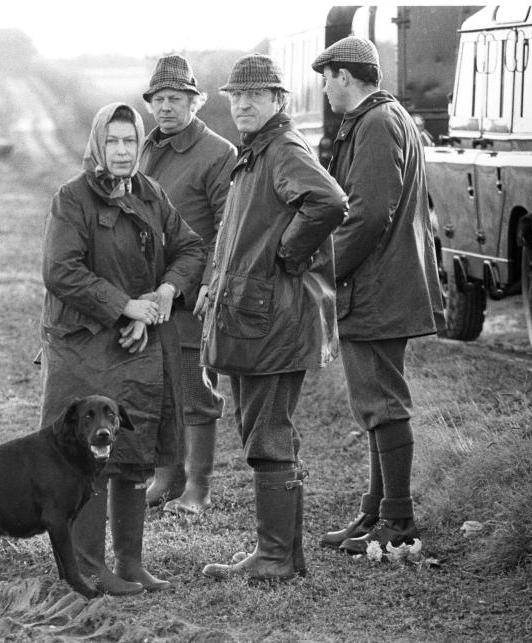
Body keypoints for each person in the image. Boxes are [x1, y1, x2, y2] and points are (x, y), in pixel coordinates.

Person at [39, 102, 204, 594]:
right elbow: (60, 270)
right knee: (88, 459)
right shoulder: (72, 199)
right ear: (97, 144)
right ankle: (88, 568)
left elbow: (191, 249)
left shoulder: (151, 194)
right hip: (84, 349)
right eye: (112, 141)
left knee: (132, 452)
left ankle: (130, 564)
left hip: (138, 348)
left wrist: (163, 296)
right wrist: (124, 307)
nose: (122, 150)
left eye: (130, 141)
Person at [199, 54, 347, 581]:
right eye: (236, 96)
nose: (242, 103)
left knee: (266, 433)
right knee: (264, 430)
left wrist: (288, 254)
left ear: (278, 101)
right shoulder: (255, 152)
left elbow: (328, 202)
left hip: (273, 318)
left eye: (254, 96)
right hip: (254, 314)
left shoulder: (281, 148)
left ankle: (276, 557)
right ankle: (281, 554)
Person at [310, 37, 445, 554]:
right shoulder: (382, 120)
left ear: (346, 76)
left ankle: (399, 519)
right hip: (379, 282)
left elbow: (367, 215)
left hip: (376, 286)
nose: (323, 87)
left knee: (384, 402)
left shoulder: (376, 123)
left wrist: (323, 269)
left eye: (327, 76)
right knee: (374, 403)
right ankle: (376, 512)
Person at [139, 55, 237, 515]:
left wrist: (208, 285)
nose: (165, 108)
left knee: (196, 390)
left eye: (175, 99)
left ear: (195, 102)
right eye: (158, 99)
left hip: (192, 293)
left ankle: (198, 489)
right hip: (151, 294)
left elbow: (226, 227)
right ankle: (166, 478)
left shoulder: (218, 153)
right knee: (159, 390)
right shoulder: (145, 148)